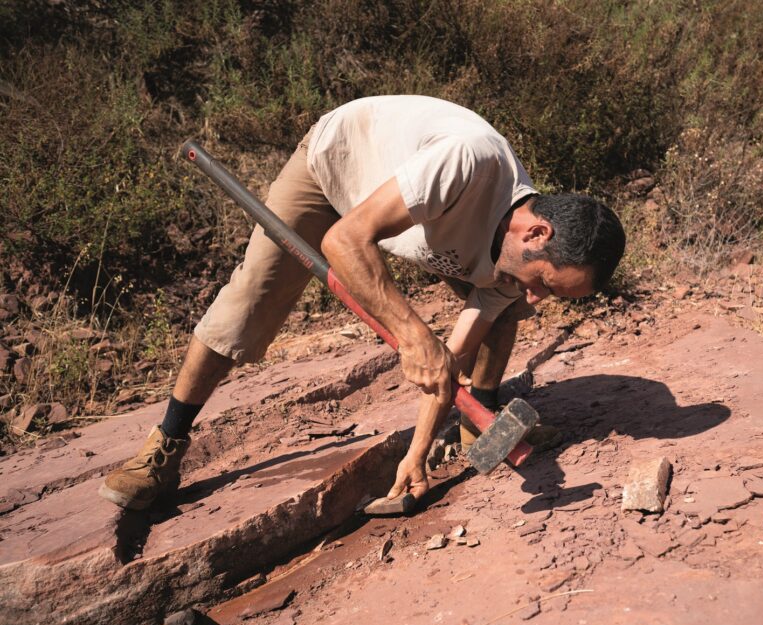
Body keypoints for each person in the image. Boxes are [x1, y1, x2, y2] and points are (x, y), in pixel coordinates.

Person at [99, 95, 626, 511]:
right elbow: (345, 240)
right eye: (545, 283)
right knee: (252, 298)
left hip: (392, 210)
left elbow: (450, 360)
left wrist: (417, 453)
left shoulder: (516, 263)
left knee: (501, 312)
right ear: (536, 232)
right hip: (334, 167)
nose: (537, 298)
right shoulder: (468, 163)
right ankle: (165, 444)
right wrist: (415, 336)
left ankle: (478, 422)